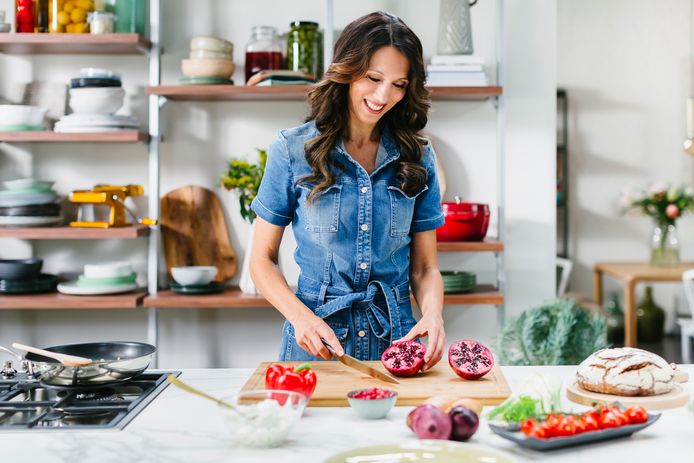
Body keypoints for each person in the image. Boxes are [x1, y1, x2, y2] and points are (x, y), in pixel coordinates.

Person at [249, 11, 445, 370]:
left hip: (397, 340)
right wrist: (300, 317)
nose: (384, 95)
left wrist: (433, 315)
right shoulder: (293, 150)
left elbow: (425, 267)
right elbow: (261, 259)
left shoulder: (419, 157)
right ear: (347, 70)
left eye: (399, 84)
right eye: (373, 78)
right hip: (318, 341)